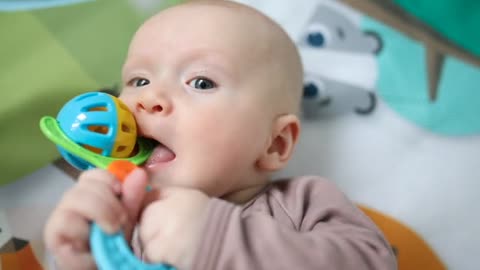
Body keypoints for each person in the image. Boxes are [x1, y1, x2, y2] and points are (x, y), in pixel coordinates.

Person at [44, 1, 397, 269]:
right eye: (139, 81)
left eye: (201, 82)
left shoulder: (303, 205)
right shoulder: (121, 218)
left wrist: (215, 238)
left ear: (274, 143)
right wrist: (87, 256)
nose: (147, 99)